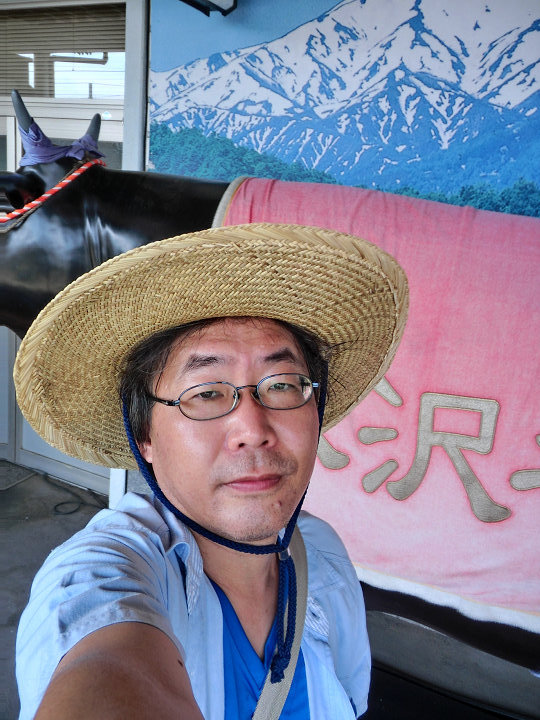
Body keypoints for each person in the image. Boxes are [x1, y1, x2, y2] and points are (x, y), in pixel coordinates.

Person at [14, 223, 408, 719]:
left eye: (282, 384)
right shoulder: (108, 573)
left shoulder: (324, 558)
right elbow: (104, 657)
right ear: (145, 437)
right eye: (205, 393)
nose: (252, 429)